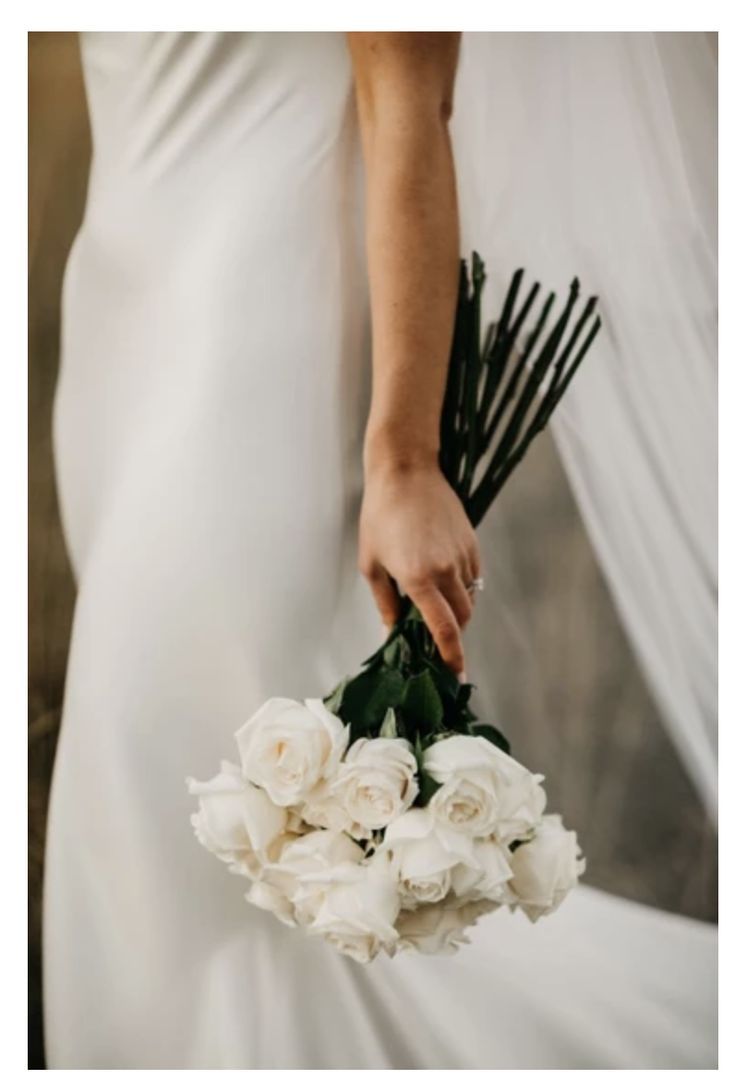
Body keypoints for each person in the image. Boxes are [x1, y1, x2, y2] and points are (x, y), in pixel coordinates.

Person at [43, 31, 715, 1068]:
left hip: (251, 348)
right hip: (122, 333)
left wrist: (404, 456)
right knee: (183, 807)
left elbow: (409, 99)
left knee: (160, 798)